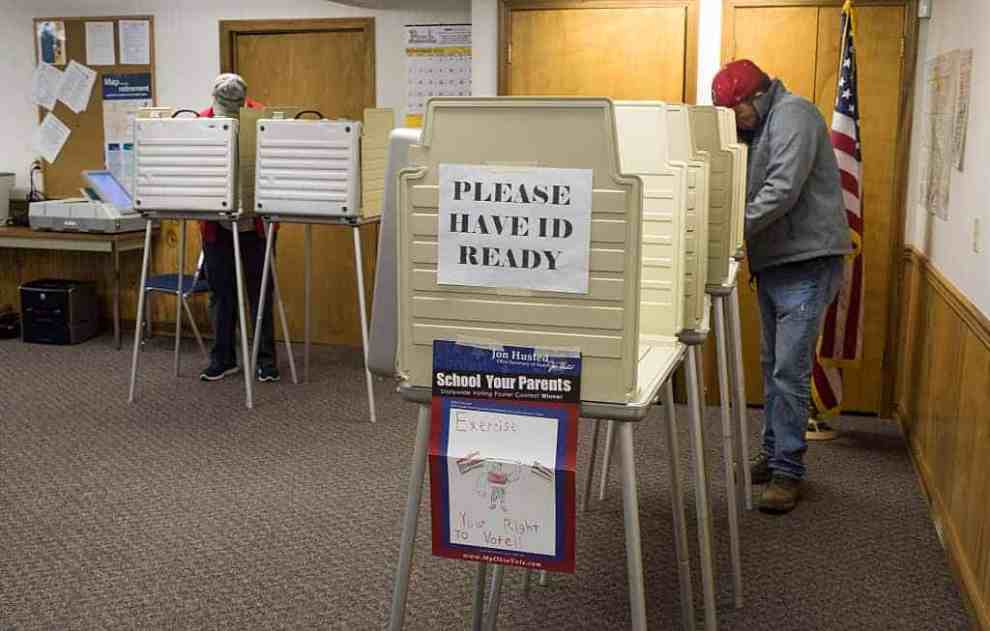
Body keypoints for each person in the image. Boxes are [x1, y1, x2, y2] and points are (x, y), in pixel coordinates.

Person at [712, 60, 852, 513]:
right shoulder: (759, 128)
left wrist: (728, 231)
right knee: (774, 365)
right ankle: (773, 455)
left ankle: (788, 470)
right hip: (777, 265)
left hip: (806, 264)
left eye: (738, 114)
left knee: (788, 372)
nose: (737, 124)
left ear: (756, 98)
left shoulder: (794, 115)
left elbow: (781, 190)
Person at [198, 73, 280, 383]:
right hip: (216, 225)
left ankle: (265, 361)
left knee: (260, 292)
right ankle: (223, 359)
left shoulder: (262, 118)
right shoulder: (200, 121)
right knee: (221, 294)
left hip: (255, 224)